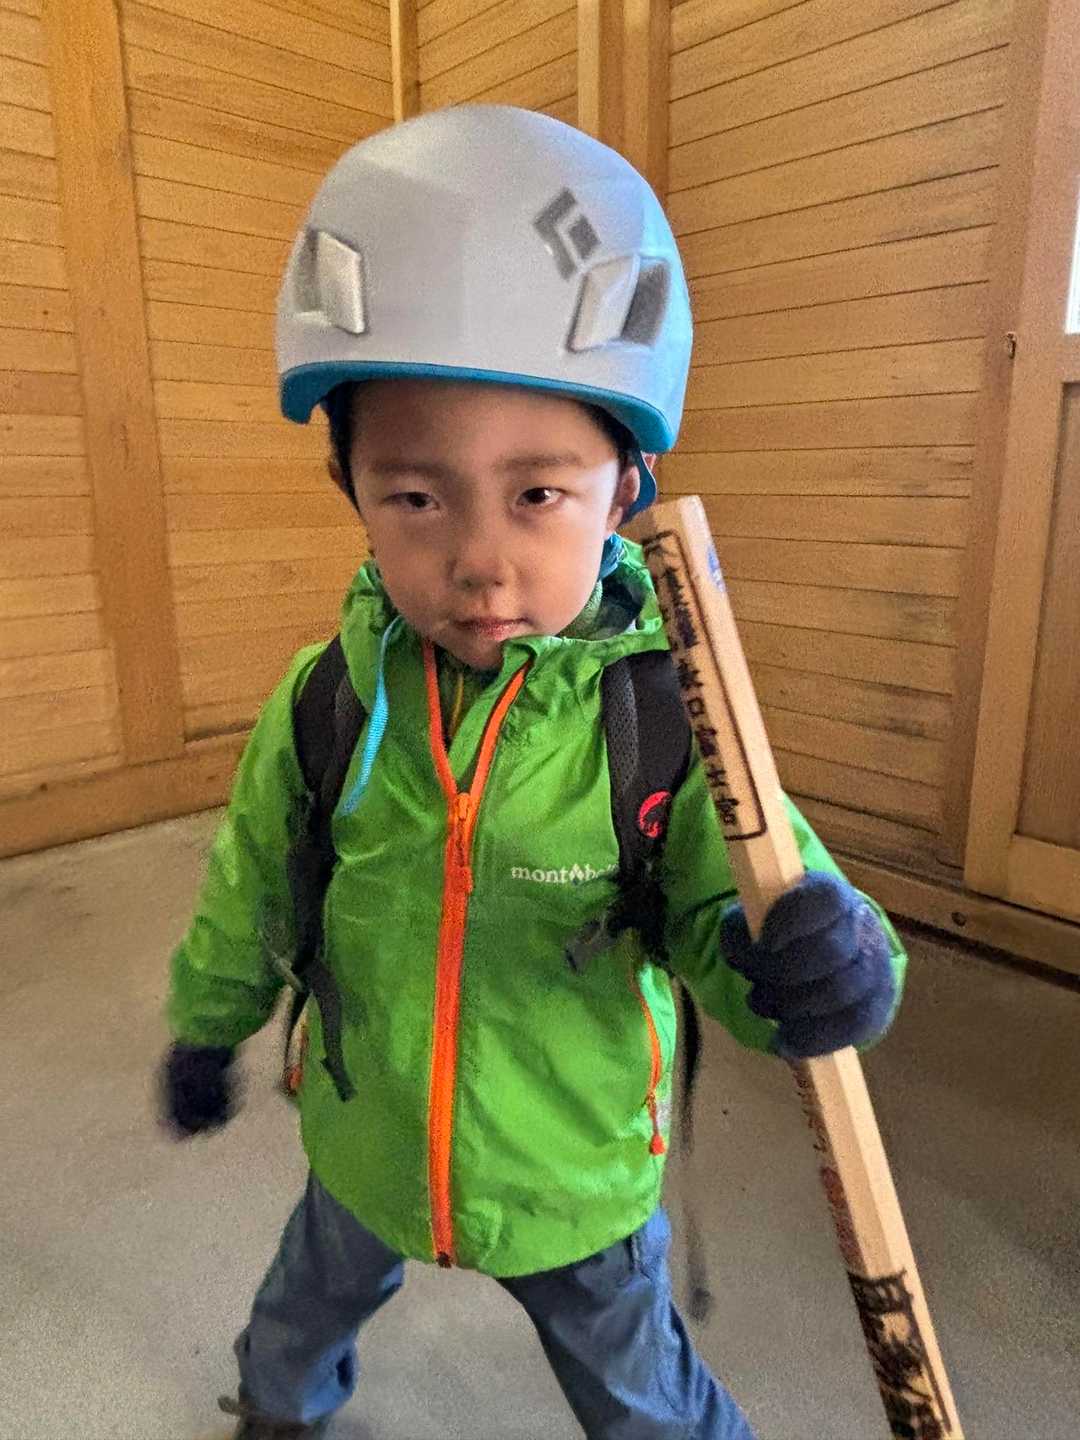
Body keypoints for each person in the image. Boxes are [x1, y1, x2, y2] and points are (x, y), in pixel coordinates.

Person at [161, 105, 906, 1440]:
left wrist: (819, 960)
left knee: (642, 1394)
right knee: (301, 1309)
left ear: (625, 487)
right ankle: (279, 1408)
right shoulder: (328, 700)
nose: (479, 561)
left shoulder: (671, 719)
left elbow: (746, 904)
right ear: (349, 483)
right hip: (370, 1137)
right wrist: (209, 1021)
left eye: (537, 494)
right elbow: (255, 879)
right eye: (416, 496)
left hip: (574, 1175)